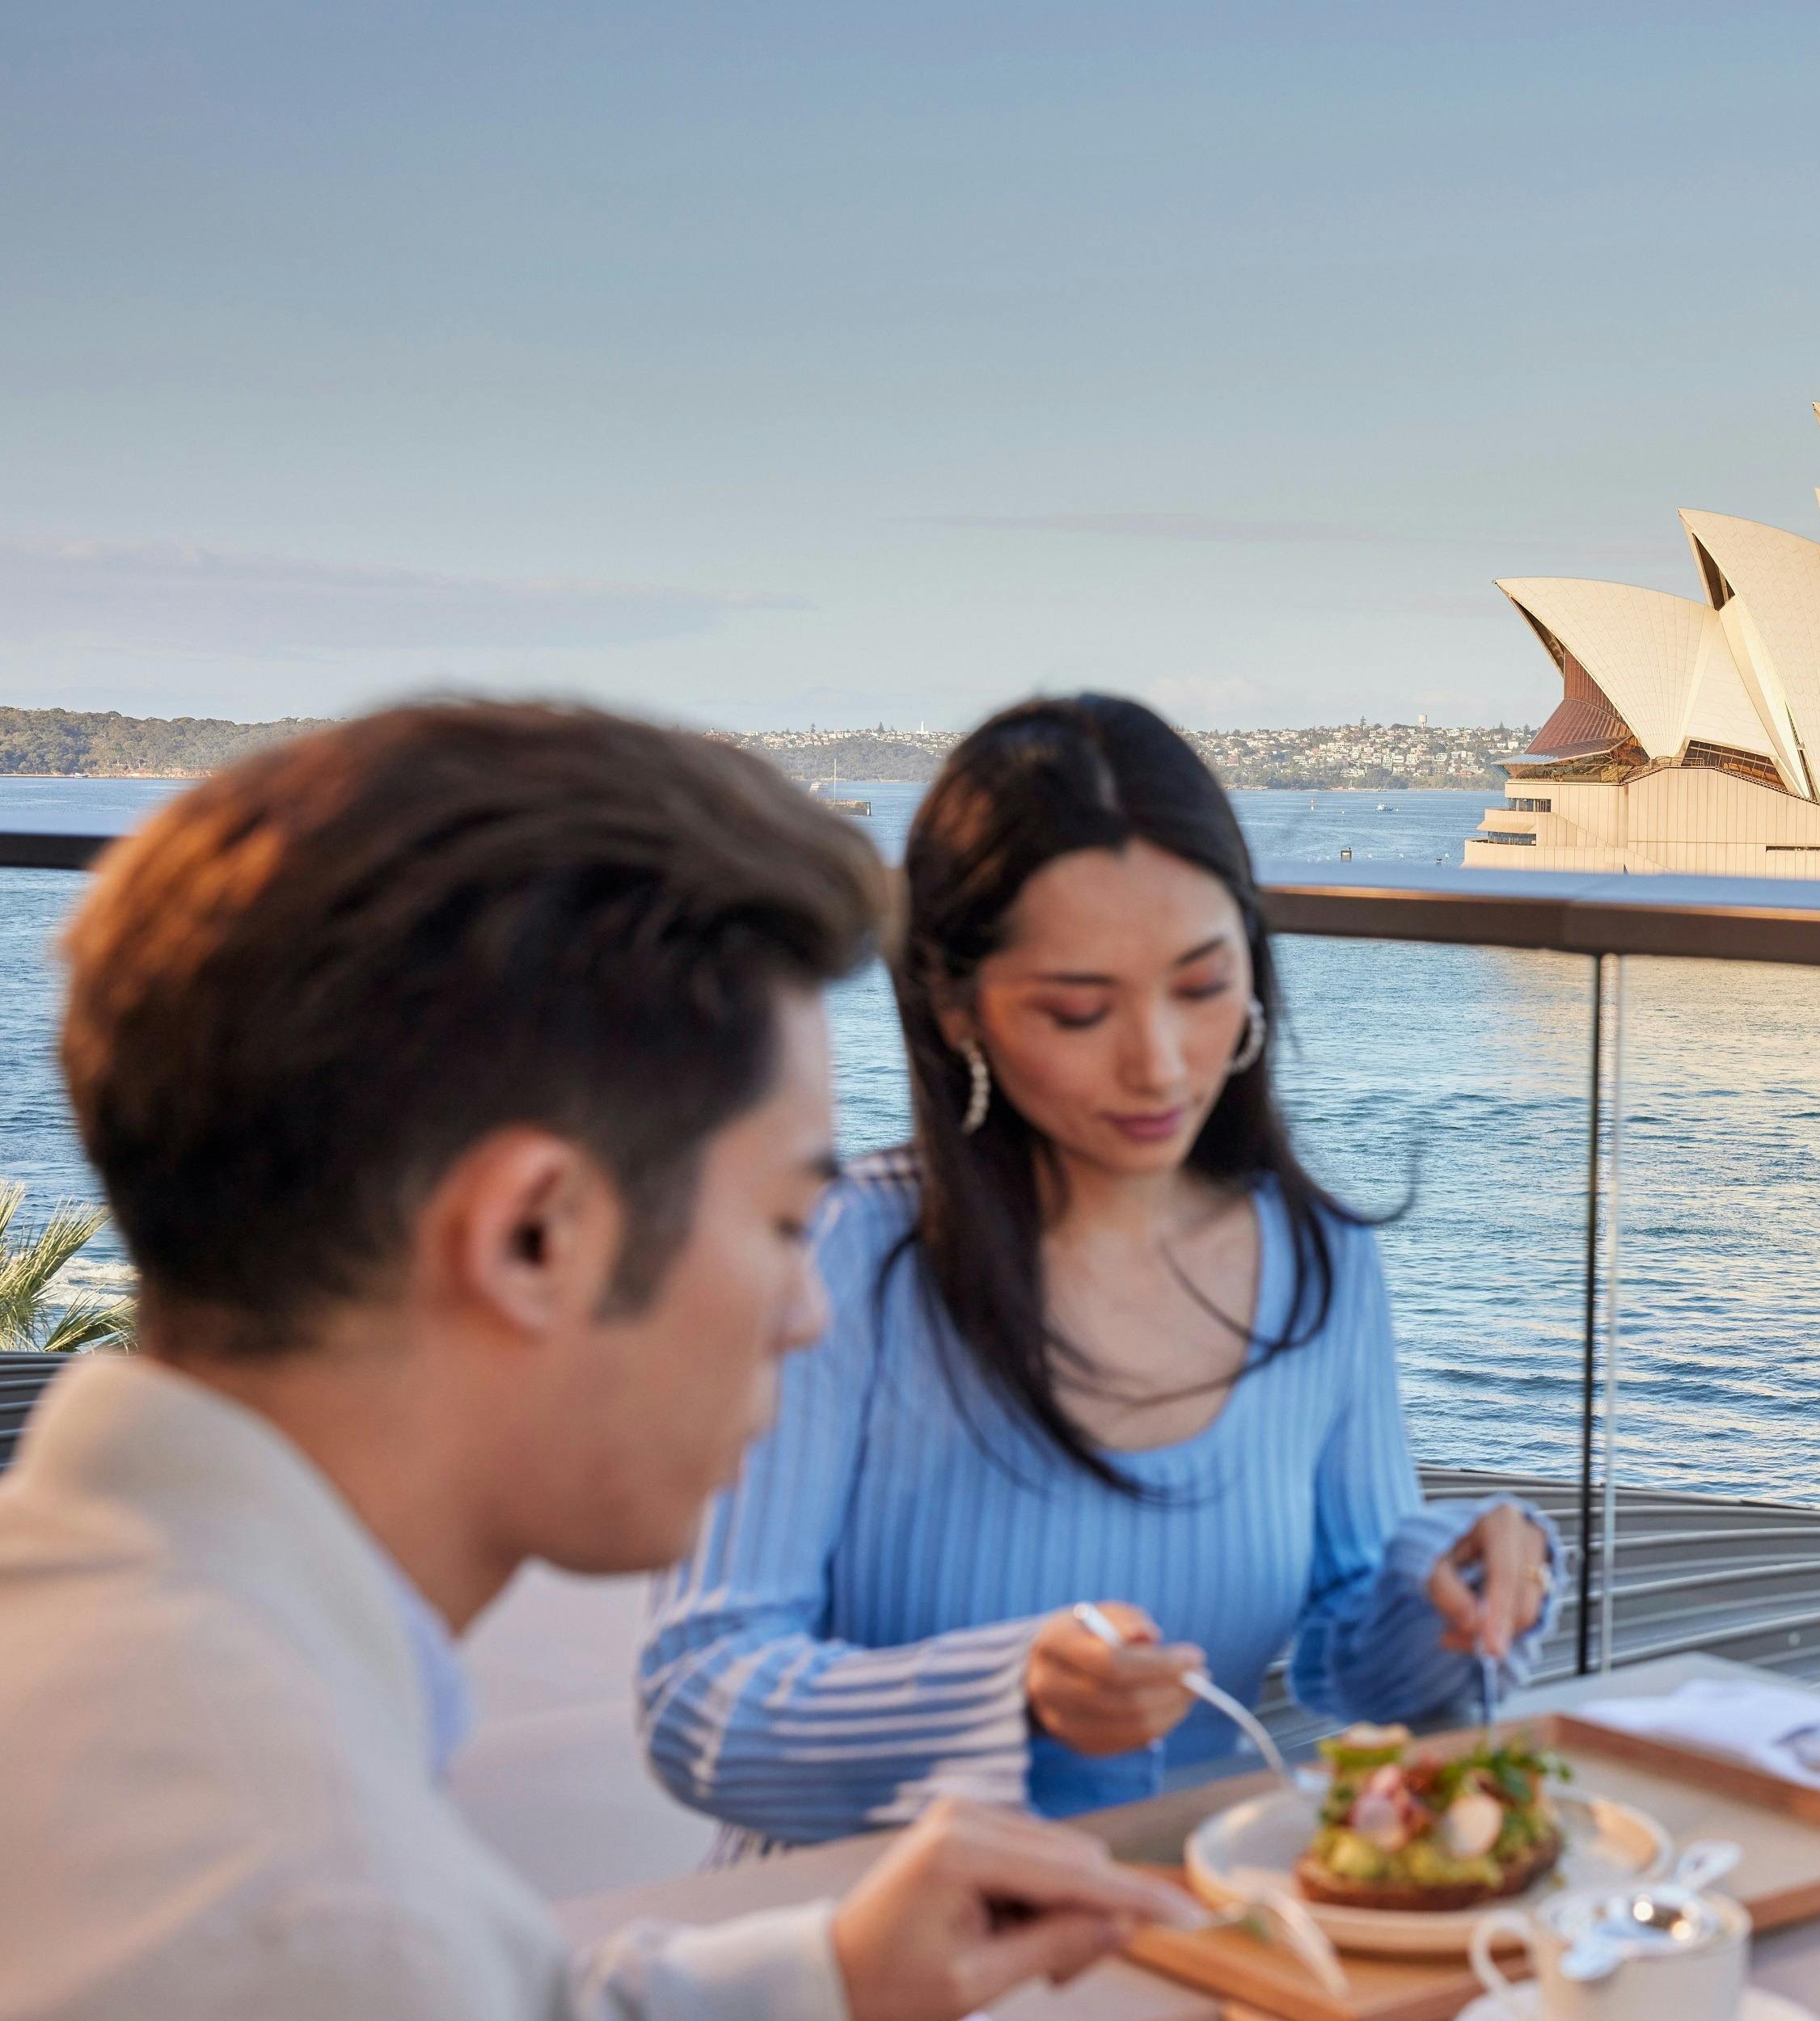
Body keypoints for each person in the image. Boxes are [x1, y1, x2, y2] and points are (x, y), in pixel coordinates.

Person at [0, 705, 1194, 2021]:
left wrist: (830, 1975)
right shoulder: (318, 1912)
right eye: (787, 1223)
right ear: (532, 1236)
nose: (807, 1312)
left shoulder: (120, 1642)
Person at [642, 694, 1557, 1837]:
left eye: (1202, 986)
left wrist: (1456, 1587)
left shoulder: (1319, 1260)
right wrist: (1009, 1692)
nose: (1162, 1066)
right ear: (954, 1007)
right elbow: (698, 1705)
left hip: (1199, 1940)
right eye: (1081, 1010)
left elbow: (1356, 1669)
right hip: (875, 1962)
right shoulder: (846, 1256)